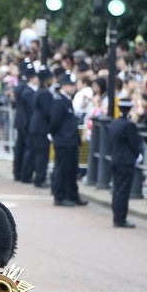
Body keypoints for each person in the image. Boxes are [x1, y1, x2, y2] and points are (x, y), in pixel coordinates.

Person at [50, 73, 88, 207]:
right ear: (65, 86)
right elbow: (54, 123)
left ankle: (72, 194)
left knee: (72, 169)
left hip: (70, 140)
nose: (73, 88)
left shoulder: (65, 100)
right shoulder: (59, 101)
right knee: (62, 169)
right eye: (71, 85)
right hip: (63, 141)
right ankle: (60, 196)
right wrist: (58, 136)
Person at [107, 100, 142, 228]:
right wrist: (137, 155)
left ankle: (117, 216)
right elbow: (134, 143)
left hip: (116, 158)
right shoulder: (129, 125)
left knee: (117, 189)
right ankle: (121, 219)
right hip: (126, 161)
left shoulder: (114, 124)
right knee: (123, 191)